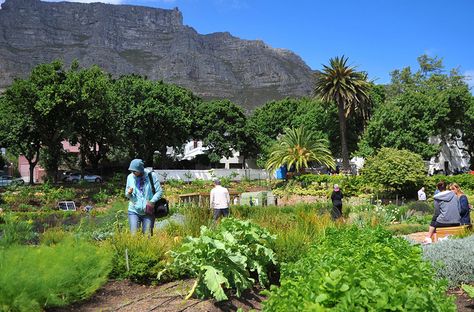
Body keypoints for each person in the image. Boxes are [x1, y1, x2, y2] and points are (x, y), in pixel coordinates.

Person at [125, 159, 162, 235]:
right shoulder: (130, 177)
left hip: (148, 211)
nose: (133, 173)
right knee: (134, 235)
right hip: (134, 210)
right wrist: (129, 193)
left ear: (141, 170)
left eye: (135, 171)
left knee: (147, 236)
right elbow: (127, 194)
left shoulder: (151, 176)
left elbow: (159, 192)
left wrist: (151, 202)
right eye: (132, 171)